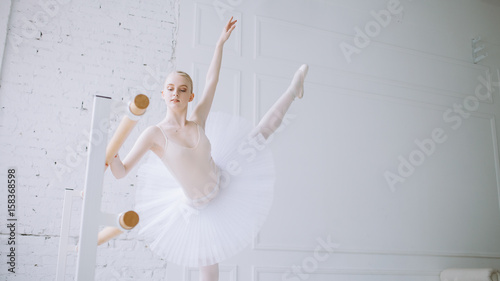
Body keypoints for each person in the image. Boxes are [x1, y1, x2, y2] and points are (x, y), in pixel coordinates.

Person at [105, 17, 308, 281]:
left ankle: (293, 89)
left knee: (260, 135)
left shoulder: (197, 118)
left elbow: (212, 81)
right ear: (162, 94)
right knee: (209, 272)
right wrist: (112, 153)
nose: (175, 93)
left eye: (182, 89)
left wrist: (219, 44)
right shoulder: (154, 134)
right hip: (198, 209)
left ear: (190, 96)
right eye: (169, 89)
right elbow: (121, 172)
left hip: (226, 180)